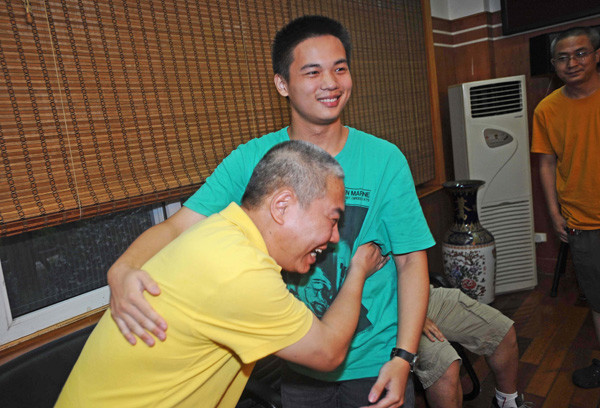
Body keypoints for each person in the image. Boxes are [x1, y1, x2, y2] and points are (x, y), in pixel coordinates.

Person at [107, 15, 434, 407]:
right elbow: (179, 228)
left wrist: (403, 358)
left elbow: (411, 261)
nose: (330, 83)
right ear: (283, 83)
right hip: (297, 360)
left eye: (340, 69)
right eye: (312, 72)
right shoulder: (252, 161)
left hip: (375, 363)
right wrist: (122, 269)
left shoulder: (385, 160)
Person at [56, 140, 388, 407]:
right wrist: (358, 269)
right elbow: (327, 352)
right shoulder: (240, 271)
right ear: (282, 206)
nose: (334, 238)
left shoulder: (222, 231)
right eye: (332, 219)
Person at [531, 25, 600, 389]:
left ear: (597, 55)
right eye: (563, 57)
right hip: (583, 221)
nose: (572, 62)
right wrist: (555, 214)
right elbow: (546, 163)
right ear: (554, 65)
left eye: (581, 53)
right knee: (598, 300)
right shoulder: (547, 109)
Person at [417, 286, 530, 408]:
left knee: (501, 330)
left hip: (419, 296)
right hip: (396, 313)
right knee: (445, 365)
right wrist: (413, 316)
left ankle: (507, 403)